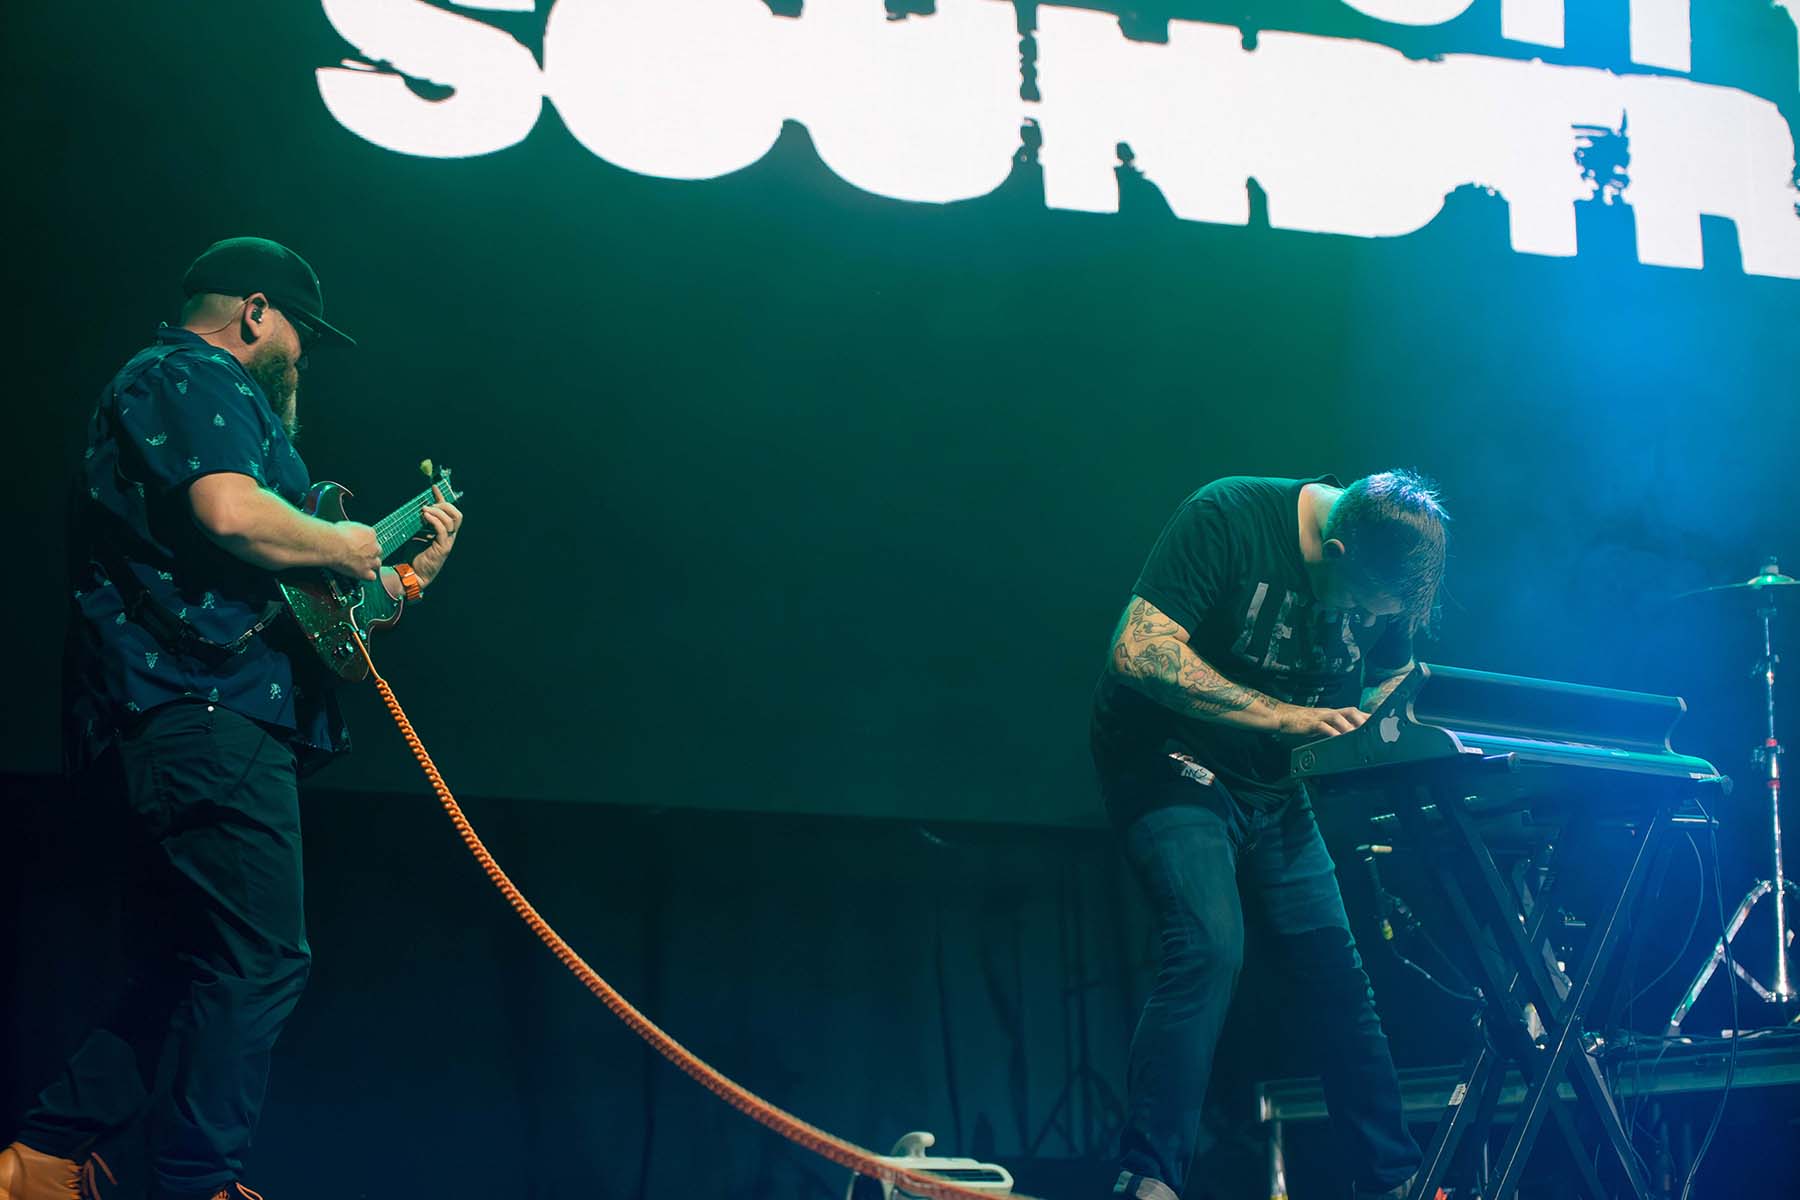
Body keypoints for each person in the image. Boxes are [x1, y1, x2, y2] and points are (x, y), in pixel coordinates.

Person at [2, 238, 464, 1200]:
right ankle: (195, 1182)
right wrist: (341, 541)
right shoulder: (188, 373)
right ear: (255, 311)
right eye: (302, 334)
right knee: (262, 958)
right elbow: (231, 514)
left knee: (192, 960)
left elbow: (311, 615)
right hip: (200, 711)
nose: (305, 358)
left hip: (188, 718)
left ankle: (41, 1162)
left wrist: (404, 575)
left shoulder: (202, 396)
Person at [1092, 471, 1447, 1200]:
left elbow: (1392, 676)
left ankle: (1392, 1181)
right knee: (1209, 946)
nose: (1367, 620)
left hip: (1273, 787)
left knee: (1336, 975)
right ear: (1337, 551)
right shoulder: (1228, 516)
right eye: (1361, 605)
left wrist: (1381, 725)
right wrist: (1284, 716)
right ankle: (1148, 1178)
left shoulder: (1384, 567)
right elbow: (1137, 649)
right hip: (1169, 759)